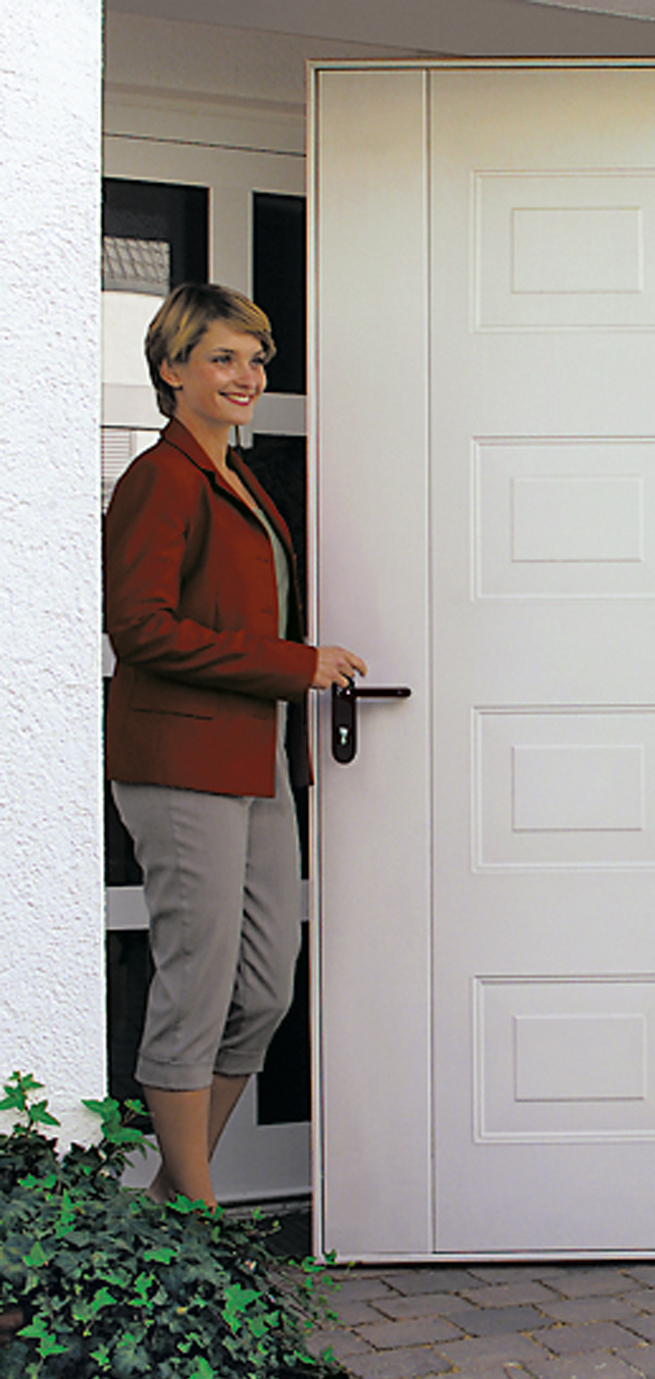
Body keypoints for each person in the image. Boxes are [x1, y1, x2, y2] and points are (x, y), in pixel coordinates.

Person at [104, 282, 365, 1207]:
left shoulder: (237, 475)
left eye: (257, 359)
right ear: (172, 370)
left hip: (256, 764)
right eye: (223, 357)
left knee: (262, 991)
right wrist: (291, 665)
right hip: (182, 768)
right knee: (196, 985)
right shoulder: (159, 478)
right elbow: (141, 629)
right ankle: (198, 1223)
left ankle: (174, 1204)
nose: (247, 375)